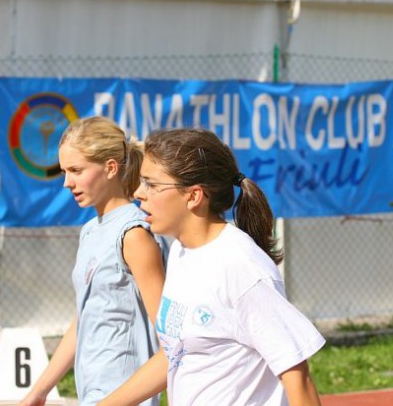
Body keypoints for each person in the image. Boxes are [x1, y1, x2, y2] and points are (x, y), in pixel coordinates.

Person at [99, 128, 325, 406]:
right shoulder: (183, 250)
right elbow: (176, 353)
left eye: (152, 185)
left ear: (193, 196)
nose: (138, 193)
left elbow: (298, 378)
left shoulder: (241, 267)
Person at [20, 116, 166, 406]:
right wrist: (38, 392)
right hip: (92, 395)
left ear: (110, 168)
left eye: (76, 170)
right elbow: (85, 318)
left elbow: (169, 337)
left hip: (125, 396)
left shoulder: (134, 234)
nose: (66, 182)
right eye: (64, 171)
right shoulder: (90, 231)